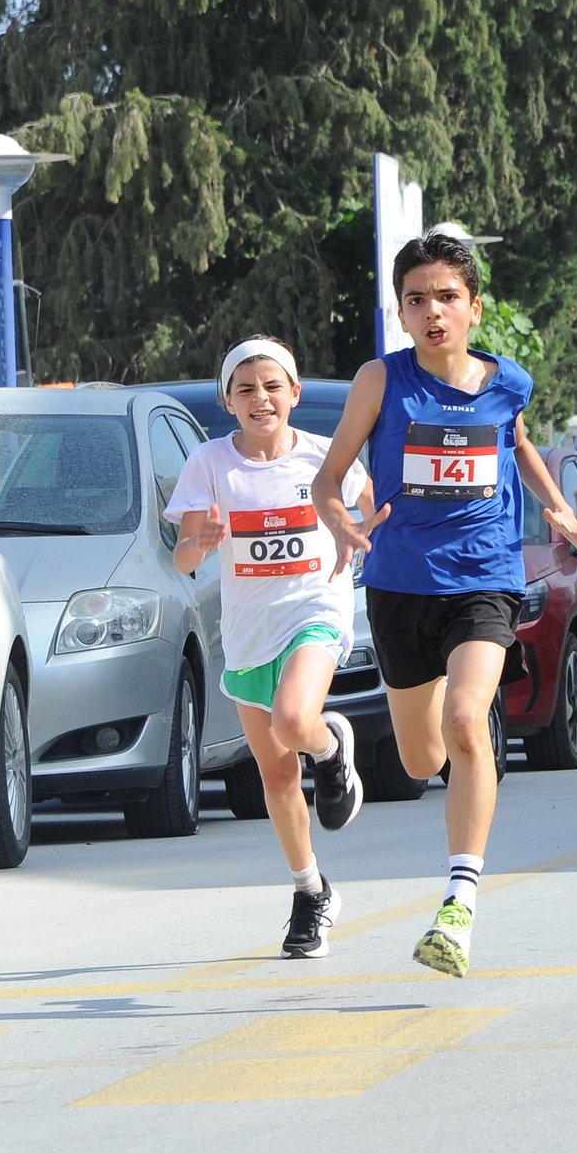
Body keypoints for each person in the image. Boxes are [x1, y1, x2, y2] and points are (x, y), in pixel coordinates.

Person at [315, 234, 577, 978]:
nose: (433, 312)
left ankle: (459, 905)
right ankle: (346, 746)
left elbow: (517, 442)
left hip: (485, 578)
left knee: (464, 721)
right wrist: (342, 522)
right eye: (416, 299)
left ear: (474, 309)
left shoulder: (507, 380)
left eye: (447, 297)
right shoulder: (380, 382)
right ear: (401, 313)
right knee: (421, 759)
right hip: (400, 584)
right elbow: (328, 478)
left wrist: (560, 511)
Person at [168, 338, 371, 958]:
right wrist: (202, 541)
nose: (261, 398)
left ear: (295, 394)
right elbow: (183, 558)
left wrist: (361, 532)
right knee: (278, 775)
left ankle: (330, 748)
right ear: (228, 400)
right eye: (246, 389)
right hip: (249, 630)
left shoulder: (324, 455)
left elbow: (368, 507)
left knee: (292, 718)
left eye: (273, 386)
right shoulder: (209, 463)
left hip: (316, 609)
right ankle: (311, 893)